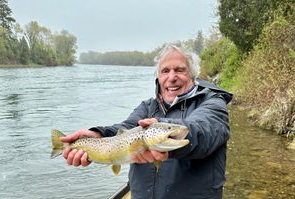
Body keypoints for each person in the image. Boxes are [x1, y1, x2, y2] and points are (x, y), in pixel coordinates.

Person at [60, 43, 233, 199]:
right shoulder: (147, 106)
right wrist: (99, 134)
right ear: (158, 77)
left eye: (180, 70)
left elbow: (203, 131)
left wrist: (164, 140)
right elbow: (126, 128)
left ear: (193, 75)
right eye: (165, 71)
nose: (172, 77)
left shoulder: (213, 103)